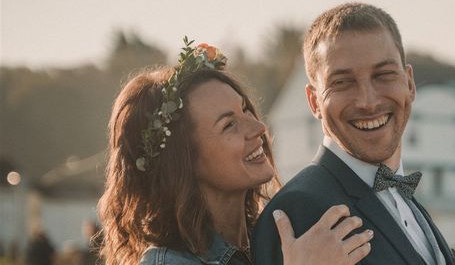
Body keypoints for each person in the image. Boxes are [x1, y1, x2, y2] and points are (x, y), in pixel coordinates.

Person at [98, 38, 372, 265]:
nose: (258, 127)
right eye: (229, 125)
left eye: (245, 110)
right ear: (183, 161)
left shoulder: (278, 237)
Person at [252, 3, 455, 265]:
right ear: (314, 102)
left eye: (383, 75)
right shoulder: (300, 209)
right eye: (342, 82)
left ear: (409, 84)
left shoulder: (410, 204)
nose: (368, 102)